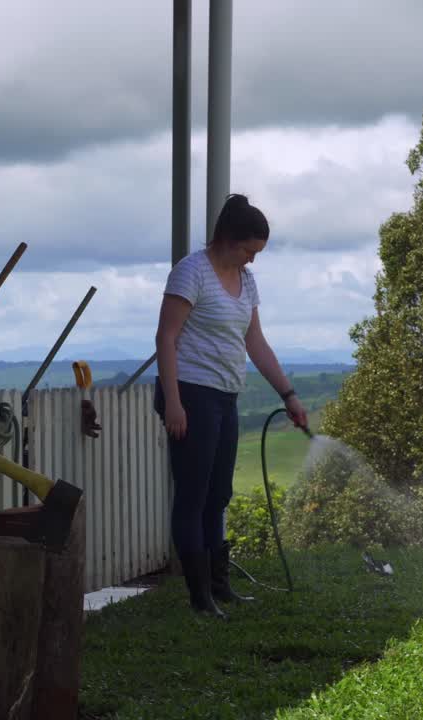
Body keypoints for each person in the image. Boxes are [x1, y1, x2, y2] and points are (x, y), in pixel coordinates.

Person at [154, 193, 309, 619]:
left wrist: (288, 393)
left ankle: (220, 587)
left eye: (256, 253)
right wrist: (173, 403)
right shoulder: (192, 273)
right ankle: (199, 597)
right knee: (193, 495)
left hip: (225, 396)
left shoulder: (246, 280)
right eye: (248, 250)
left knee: (219, 493)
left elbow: (254, 341)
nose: (252, 260)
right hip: (190, 393)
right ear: (227, 238)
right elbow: (165, 338)